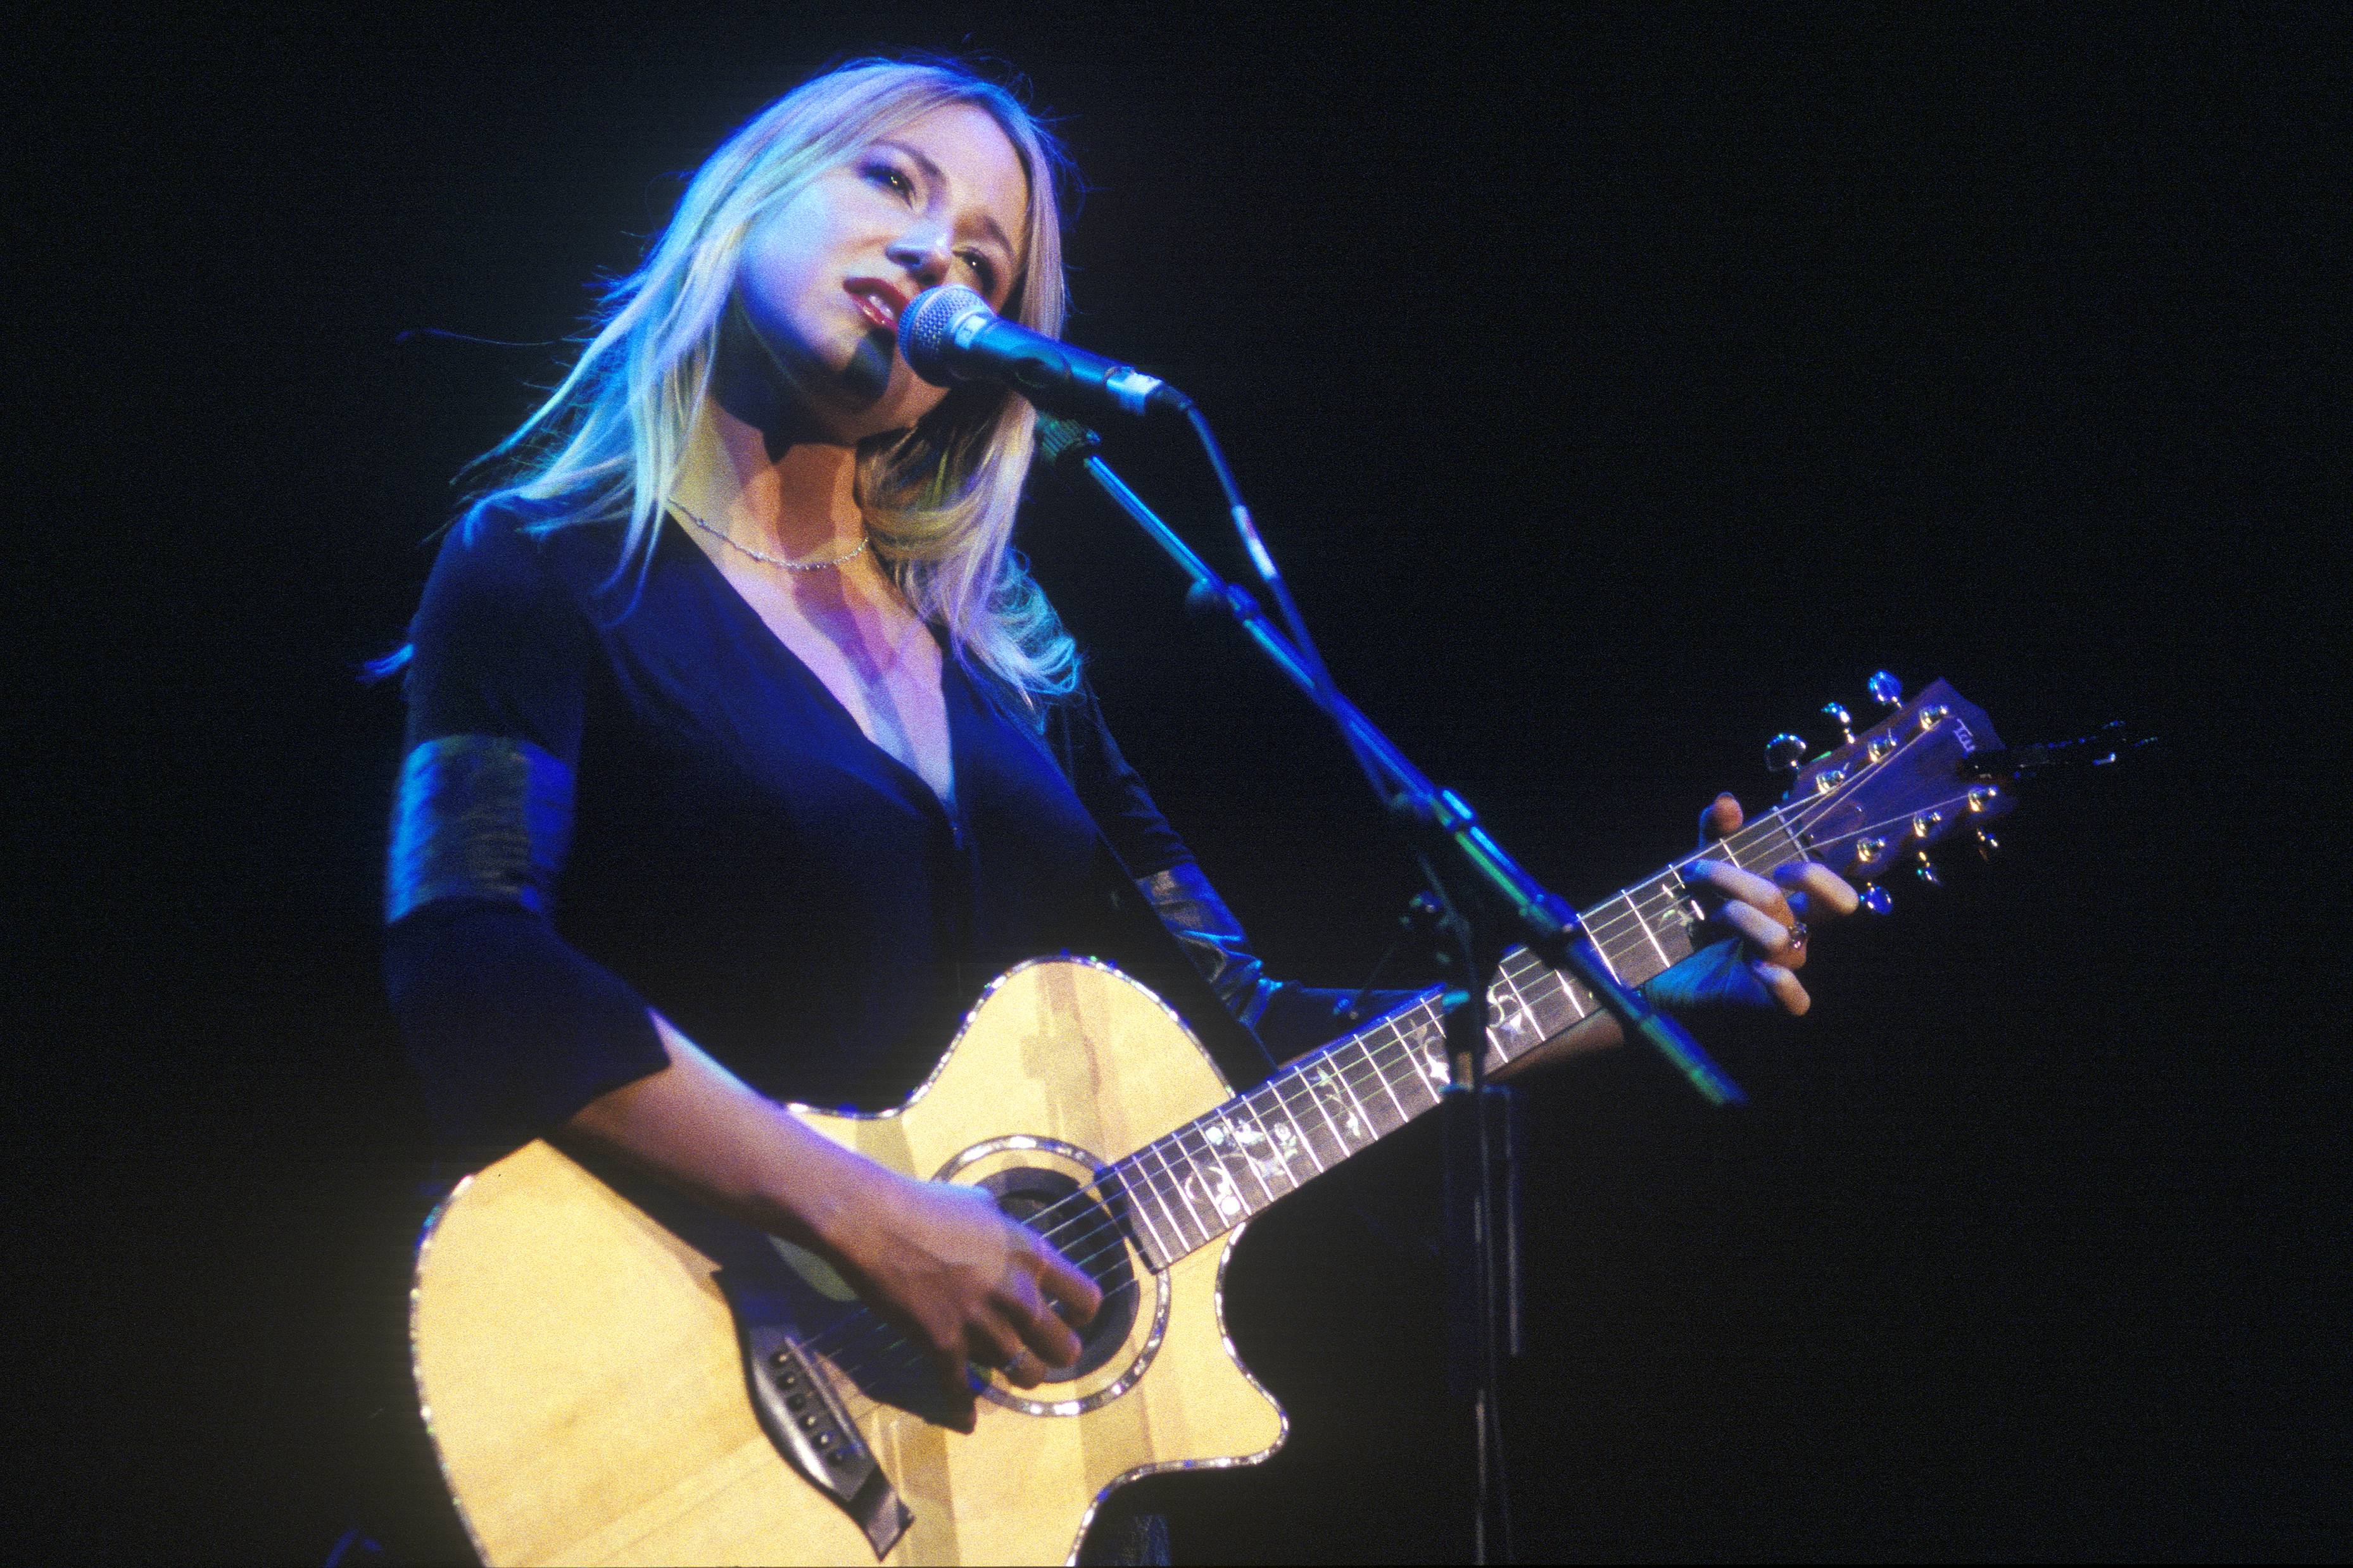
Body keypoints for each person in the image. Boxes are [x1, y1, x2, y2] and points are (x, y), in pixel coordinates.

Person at [380, 53, 1856, 1555]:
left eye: (983, 262)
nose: (929, 256)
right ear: (751, 191)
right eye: (892, 183)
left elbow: (1240, 1019)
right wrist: (868, 1217)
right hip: (669, 1401)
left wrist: (1641, 986)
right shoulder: (548, 563)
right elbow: (468, 963)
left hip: (1016, 1497)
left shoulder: (1015, 655)